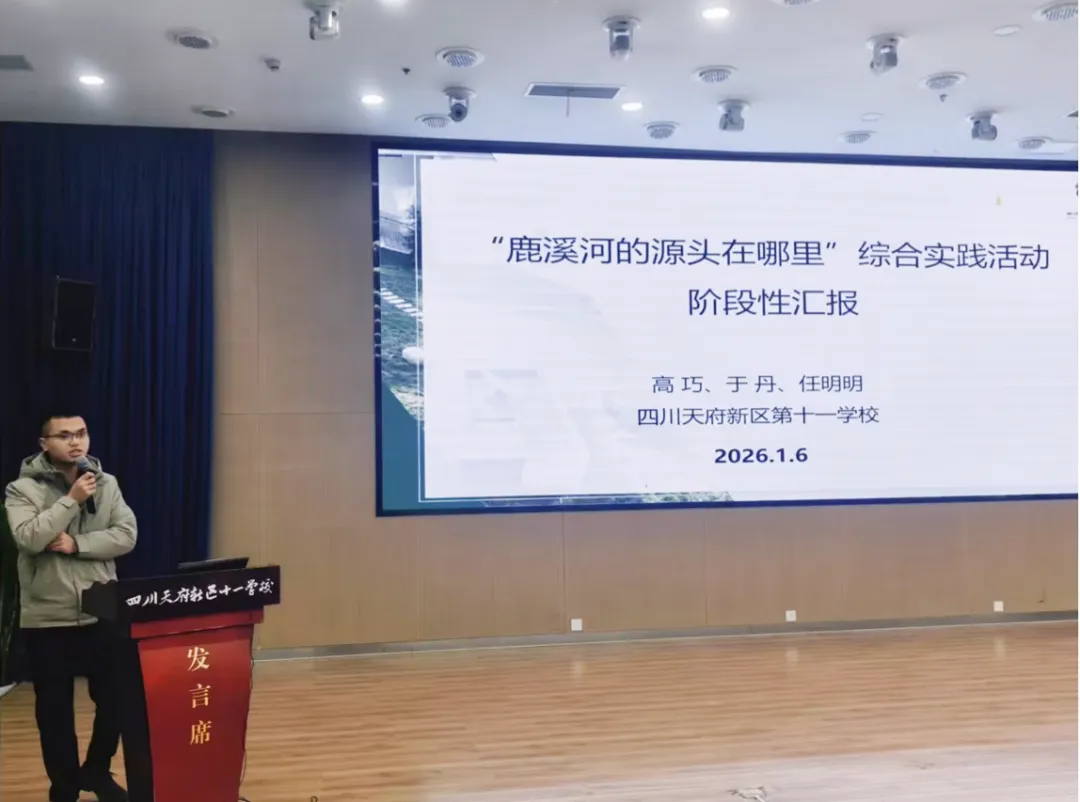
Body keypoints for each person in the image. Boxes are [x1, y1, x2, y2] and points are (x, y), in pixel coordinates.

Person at [5, 414, 136, 802]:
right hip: (48, 616)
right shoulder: (22, 489)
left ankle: (96, 770)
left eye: (81, 434)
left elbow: (126, 535)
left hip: (102, 609)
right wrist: (71, 500)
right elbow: (29, 537)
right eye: (64, 435)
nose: (75, 442)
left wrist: (77, 544)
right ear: (44, 443)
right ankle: (64, 788)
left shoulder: (106, 483)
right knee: (54, 712)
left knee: (116, 698)